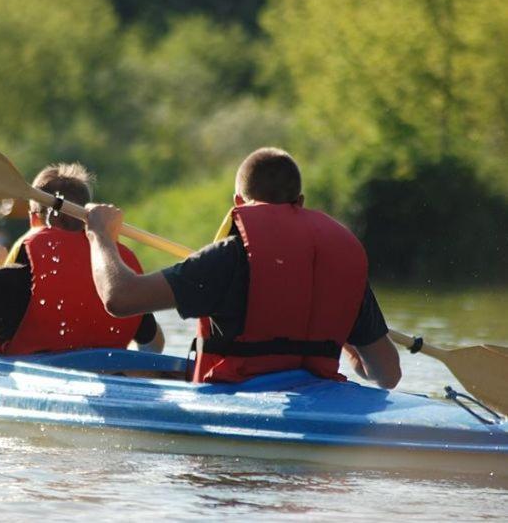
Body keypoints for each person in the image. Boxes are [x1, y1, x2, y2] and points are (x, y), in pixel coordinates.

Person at [84, 148, 401, 388]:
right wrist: (352, 353)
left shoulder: (228, 258)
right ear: (299, 201)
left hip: (238, 405)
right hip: (318, 407)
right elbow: (387, 374)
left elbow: (120, 298)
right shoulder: (338, 261)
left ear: (238, 201)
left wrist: (100, 234)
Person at [0, 163, 165, 355]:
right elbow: (155, 344)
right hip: (113, 392)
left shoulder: (9, 283)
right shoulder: (119, 283)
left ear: (34, 219)